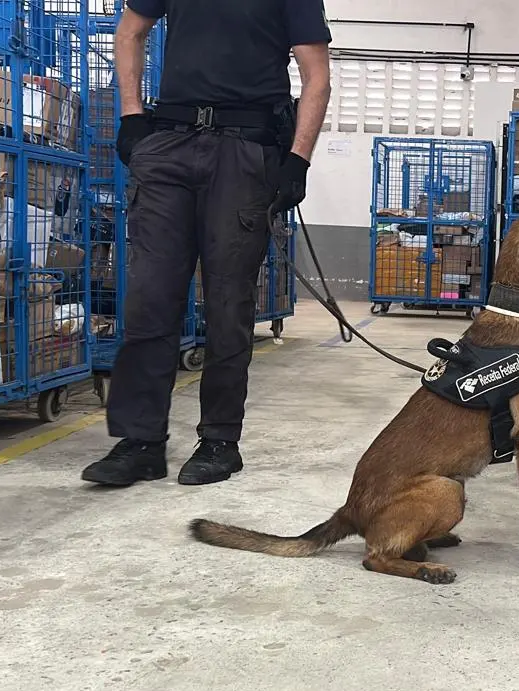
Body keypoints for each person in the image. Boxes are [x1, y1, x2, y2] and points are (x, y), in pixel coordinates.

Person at [81, 0, 332, 487]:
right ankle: (141, 442)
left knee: (227, 303)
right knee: (149, 297)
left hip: (245, 148)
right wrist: (132, 116)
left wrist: (298, 160)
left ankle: (220, 441)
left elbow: (315, 75)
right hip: (168, 143)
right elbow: (129, 31)